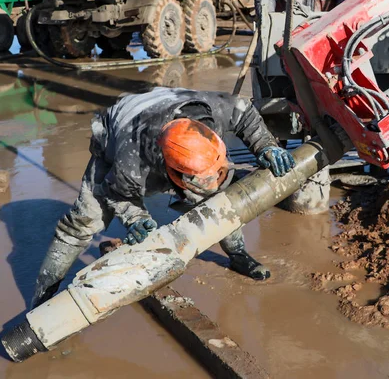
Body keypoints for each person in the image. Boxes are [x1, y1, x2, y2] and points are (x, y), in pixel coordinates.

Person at [31, 87, 295, 308]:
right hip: (121, 127)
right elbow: (116, 192)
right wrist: (136, 219)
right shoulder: (129, 163)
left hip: (164, 102)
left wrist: (267, 146)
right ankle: (43, 298)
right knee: (82, 223)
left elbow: (245, 111)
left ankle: (237, 254)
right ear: (173, 174)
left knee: (218, 199)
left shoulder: (214, 112)